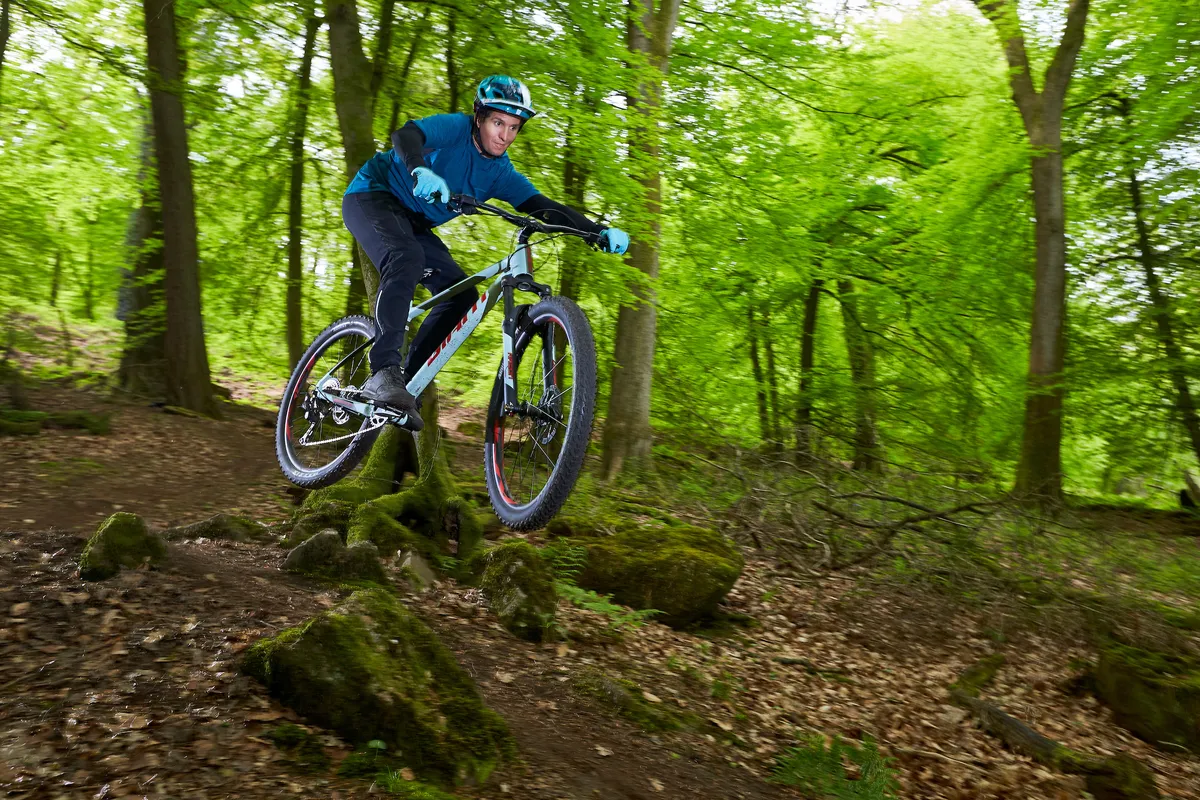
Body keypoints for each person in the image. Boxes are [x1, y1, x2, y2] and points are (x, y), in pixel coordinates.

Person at [341, 74, 629, 431]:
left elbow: (542, 206)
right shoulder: (455, 129)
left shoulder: (499, 174)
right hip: (372, 195)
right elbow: (406, 136)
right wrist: (418, 169)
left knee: (461, 297)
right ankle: (383, 371)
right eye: (497, 122)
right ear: (479, 117)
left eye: (513, 127)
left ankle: (402, 388)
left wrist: (596, 231)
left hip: (413, 222)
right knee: (406, 259)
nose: (504, 135)